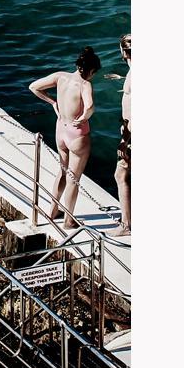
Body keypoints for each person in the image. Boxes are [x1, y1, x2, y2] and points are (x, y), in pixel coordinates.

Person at [29, 48, 102, 231]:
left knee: (61, 171)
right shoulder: (85, 85)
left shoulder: (60, 77)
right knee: (73, 179)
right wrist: (85, 116)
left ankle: (53, 211)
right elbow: (91, 106)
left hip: (61, 130)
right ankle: (68, 221)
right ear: (91, 70)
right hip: (77, 135)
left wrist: (53, 102)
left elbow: (34, 87)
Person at [114, 32, 132, 235]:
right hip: (129, 131)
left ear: (122, 52)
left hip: (131, 134)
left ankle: (126, 225)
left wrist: (125, 140)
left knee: (121, 174)